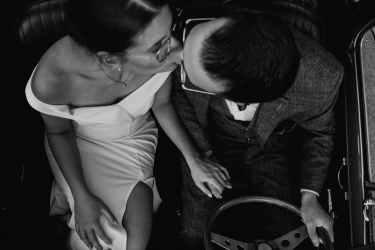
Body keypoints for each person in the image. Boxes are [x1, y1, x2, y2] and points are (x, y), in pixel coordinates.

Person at [25, 0, 231, 249]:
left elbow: (162, 104)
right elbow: (58, 131)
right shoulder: (51, 81)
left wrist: (193, 159)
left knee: (132, 244)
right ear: (111, 59)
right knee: (98, 238)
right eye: (160, 47)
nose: (178, 49)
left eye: (172, 31)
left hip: (135, 137)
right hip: (79, 142)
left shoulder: (162, 49)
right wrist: (82, 197)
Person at [171, 9, 343, 250]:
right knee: (191, 237)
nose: (172, 54)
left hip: (271, 150)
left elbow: (319, 132)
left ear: (240, 101)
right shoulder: (190, 31)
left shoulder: (323, 78)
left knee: (288, 234)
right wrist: (202, 155)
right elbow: (178, 95)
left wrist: (310, 196)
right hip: (205, 144)